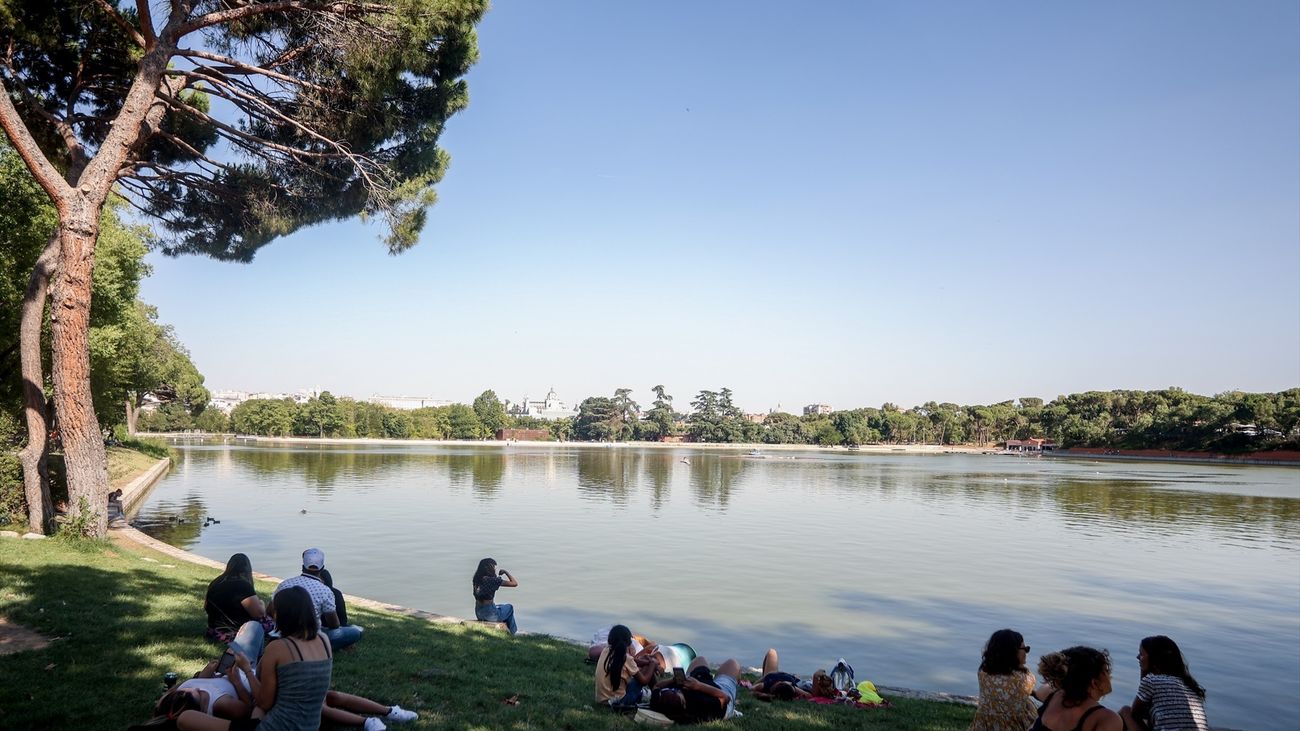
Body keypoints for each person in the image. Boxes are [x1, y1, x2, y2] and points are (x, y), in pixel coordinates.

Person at [177, 586, 333, 731]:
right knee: (257, 711)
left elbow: (264, 703)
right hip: (311, 726)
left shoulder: (278, 647)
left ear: (283, 616)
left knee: (186, 718)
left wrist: (246, 669)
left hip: (274, 727)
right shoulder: (324, 640)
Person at [273, 548, 362, 650]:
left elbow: (270, 611)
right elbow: (334, 624)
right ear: (322, 568)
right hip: (309, 636)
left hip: (283, 634)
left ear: (303, 567)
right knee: (355, 632)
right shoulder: (325, 590)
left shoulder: (284, 584)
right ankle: (322, 646)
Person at [1118, 636, 1208, 731]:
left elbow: (1136, 713)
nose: (1137, 657)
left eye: (1141, 654)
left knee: (1125, 711)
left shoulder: (1151, 681)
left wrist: (1144, 672)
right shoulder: (1189, 685)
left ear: (1153, 659)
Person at [970, 629, 1053, 731]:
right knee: (1030, 705)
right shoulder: (1026, 678)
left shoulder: (983, 673)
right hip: (1013, 727)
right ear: (1013, 652)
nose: (1026, 652)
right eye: (1025, 649)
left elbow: (1003, 686)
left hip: (983, 726)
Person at [1031, 647, 1123, 731]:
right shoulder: (1106, 719)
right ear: (1094, 683)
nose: (1110, 675)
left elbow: (1040, 690)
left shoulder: (1052, 695)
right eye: (1106, 671)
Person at [651, 655, 741, 724]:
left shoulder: (660, 701)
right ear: (684, 703)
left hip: (699, 681)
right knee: (732, 663)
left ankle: (706, 678)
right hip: (720, 692)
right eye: (677, 691)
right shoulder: (701, 705)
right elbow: (725, 698)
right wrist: (699, 686)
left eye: (672, 689)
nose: (677, 689)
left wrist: (673, 680)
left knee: (700, 659)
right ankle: (733, 709)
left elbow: (656, 687)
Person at [205, 554, 270, 643]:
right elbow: (259, 614)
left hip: (214, 632)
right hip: (234, 633)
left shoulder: (216, 582)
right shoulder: (243, 586)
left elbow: (206, 606)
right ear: (247, 569)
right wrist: (262, 603)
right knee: (270, 622)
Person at [595, 625, 660, 705]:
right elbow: (644, 681)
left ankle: (654, 693)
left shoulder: (606, 650)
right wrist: (652, 664)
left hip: (602, 700)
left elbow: (633, 661)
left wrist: (647, 662)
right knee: (647, 669)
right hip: (620, 702)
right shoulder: (626, 658)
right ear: (629, 643)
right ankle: (657, 695)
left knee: (647, 667)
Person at [472, 557, 518, 634]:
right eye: (494, 567)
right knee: (509, 607)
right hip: (490, 616)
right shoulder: (492, 580)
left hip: (479, 613)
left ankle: (506, 630)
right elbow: (514, 583)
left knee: (501, 606)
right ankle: (513, 633)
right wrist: (506, 572)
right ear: (489, 568)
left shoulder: (476, 579)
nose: (495, 569)